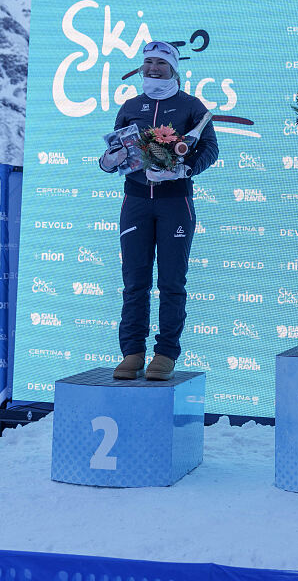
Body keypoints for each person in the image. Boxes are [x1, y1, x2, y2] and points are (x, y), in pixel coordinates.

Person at [98, 40, 219, 381]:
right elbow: (115, 150)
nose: (153, 68)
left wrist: (186, 169)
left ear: (174, 68)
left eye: (161, 63)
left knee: (171, 282)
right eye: (148, 62)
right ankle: (132, 352)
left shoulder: (191, 106)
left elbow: (210, 148)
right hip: (135, 201)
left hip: (174, 202)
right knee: (134, 281)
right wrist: (110, 160)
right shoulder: (130, 105)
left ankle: (165, 353)